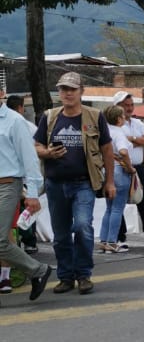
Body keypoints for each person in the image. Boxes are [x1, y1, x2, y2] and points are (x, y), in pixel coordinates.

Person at [34, 71, 114, 296]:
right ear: (59, 92)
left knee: (82, 226)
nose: (67, 93)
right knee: (60, 235)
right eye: (63, 89)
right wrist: (48, 153)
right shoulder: (49, 117)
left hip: (84, 183)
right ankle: (66, 277)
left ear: (81, 91)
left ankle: (84, 274)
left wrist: (110, 182)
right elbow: (36, 146)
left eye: (72, 89)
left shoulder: (95, 116)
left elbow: (108, 151)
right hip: (55, 184)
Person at [0, 85, 52, 302]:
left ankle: (38, 270)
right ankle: (37, 271)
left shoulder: (14, 120)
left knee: (0, 241)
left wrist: (32, 194)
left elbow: (30, 159)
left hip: (7, 184)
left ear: (1, 93)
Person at [112, 91, 144, 248]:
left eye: (131, 105)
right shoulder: (112, 125)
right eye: (125, 105)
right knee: (118, 203)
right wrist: (136, 142)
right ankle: (120, 237)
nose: (129, 108)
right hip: (119, 167)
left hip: (138, 168)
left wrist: (132, 140)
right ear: (117, 107)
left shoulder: (137, 123)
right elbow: (116, 146)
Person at [98, 104, 136, 252]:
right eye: (122, 116)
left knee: (109, 208)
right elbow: (123, 151)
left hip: (107, 170)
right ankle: (112, 241)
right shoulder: (119, 132)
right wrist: (130, 167)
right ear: (118, 118)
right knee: (117, 209)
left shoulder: (105, 131)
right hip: (120, 170)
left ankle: (103, 239)